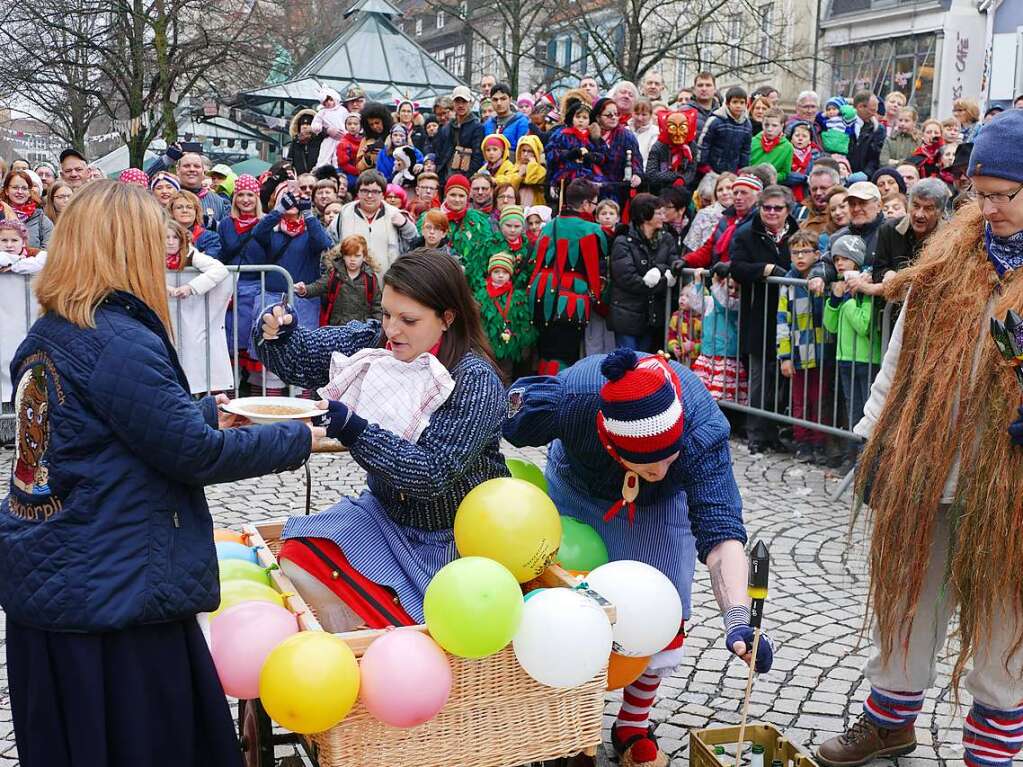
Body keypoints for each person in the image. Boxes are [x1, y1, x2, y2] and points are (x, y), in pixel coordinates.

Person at [0, 180, 317, 767]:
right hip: (112, 596)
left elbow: (114, 429)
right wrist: (299, 436)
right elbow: (192, 453)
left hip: (61, 582)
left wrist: (208, 409)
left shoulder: (55, 330)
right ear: (127, 250)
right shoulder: (115, 338)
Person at [816, 107, 1023, 767]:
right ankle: (888, 719)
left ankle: (989, 752)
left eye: (1002, 195)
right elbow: (899, 358)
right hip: (930, 468)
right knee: (907, 594)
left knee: (1003, 620)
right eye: (979, 193)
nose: (986, 207)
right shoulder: (949, 258)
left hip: (1011, 484)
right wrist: (871, 438)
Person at [503, 347, 773, 767]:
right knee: (569, 606)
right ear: (610, 439)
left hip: (660, 507)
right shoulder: (575, 399)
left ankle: (632, 723)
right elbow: (510, 412)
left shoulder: (700, 432)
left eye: (670, 457)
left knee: (661, 609)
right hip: (579, 487)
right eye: (649, 466)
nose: (662, 469)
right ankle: (572, 727)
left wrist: (738, 619)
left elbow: (722, 535)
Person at [254, 248, 507, 627]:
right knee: (299, 557)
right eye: (387, 314)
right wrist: (279, 334)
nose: (391, 329)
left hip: (451, 540)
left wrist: (354, 429)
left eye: (408, 319)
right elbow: (306, 358)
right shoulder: (377, 343)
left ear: (447, 318)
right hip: (385, 515)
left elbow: (430, 475)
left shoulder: (474, 380)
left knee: (407, 624)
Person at [728, 184, 799, 453]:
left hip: (788, 315)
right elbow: (737, 267)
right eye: (766, 207)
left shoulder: (796, 232)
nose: (771, 212)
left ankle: (776, 432)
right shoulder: (747, 233)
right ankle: (756, 433)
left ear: (787, 211)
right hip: (758, 313)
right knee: (758, 379)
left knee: (782, 379)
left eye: (777, 208)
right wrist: (766, 269)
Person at [528, 178, 606, 374]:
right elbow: (596, 271)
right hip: (571, 300)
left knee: (545, 352)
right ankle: (556, 398)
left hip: (541, 295)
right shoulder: (592, 230)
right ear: (586, 203)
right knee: (564, 355)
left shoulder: (549, 225)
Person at [776, 230, 830, 463]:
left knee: (820, 399)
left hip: (821, 352)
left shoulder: (824, 280)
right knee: (799, 401)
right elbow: (782, 322)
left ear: (817, 254)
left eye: (805, 251)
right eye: (795, 252)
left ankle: (819, 442)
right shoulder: (788, 283)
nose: (799, 257)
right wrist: (784, 356)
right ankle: (802, 441)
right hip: (798, 352)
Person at [822, 233, 881, 442]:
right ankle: (854, 456)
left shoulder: (865, 287)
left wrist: (847, 302)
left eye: (844, 258)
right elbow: (830, 325)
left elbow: (863, 325)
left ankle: (864, 458)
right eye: (836, 259)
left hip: (866, 359)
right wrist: (836, 299)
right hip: (845, 358)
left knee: (867, 411)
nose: (839, 263)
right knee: (852, 411)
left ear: (856, 260)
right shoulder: (841, 286)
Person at [164, 220, 233, 394]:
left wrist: (191, 287)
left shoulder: (191, 254)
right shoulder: (149, 255)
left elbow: (220, 270)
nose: (171, 241)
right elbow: (142, 277)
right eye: (166, 237)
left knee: (194, 357)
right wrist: (165, 287)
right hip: (163, 315)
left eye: (175, 237)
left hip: (191, 317)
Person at [608, 193, 675, 352]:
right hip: (627, 314)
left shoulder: (666, 239)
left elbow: (673, 263)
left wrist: (660, 270)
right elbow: (627, 278)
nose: (663, 217)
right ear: (645, 216)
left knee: (645, 364)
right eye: (658, 213)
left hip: (652, 316)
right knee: (628, 363)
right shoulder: (623, 241)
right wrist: (661, 283)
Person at [867, 177, 949, 291]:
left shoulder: (949, 236)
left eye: (928, 208)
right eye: (915, 206)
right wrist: (887, 274)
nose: (919, 214)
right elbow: (878, 271)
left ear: (940, 212)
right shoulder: (889, 230)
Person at [329, 170, 418, 274]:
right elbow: (330, 244)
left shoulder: (396, 214)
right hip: (350, 285)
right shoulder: (344, 214)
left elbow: (414, 243)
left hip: (387, 283)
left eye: (375, 192)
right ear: (357, 192)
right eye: (365, 191)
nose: (370, 196)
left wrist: (405, 226)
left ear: (383, 194)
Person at [808, 181, 885, 289]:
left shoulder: (892, 232)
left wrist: (873, 276)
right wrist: (818, 276)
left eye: (862, 203)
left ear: (879, 206)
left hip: (882, 302)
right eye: (852, 204)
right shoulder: (838, 236)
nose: (856, 209)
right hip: (846, 304)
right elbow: (827, 263)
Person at [296, 234, 382, 327]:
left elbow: (376, 305)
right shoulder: (334, 274)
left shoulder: (370, 279)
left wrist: (376, 326)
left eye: (357, 256)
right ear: (343, 256)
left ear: (364, 257)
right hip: (336, 327)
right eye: (349, 255)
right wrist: (304, 290)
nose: (352, 259)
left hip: (362, 329)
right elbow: (318, 286)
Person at [475, 251, 536, 378]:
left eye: (505, 272)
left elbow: (523, 320)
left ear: (510, 274)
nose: (500, 276)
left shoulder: (517, 296)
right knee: (488, 373)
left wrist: (523, 339)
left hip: (509, 345)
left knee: (506, 374)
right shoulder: (481, 296)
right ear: (490, 273)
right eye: (496, 272)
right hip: (488, 345)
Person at [428, 174, 494, 288]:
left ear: (467, 197)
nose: (457, 199)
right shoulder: (432, 218)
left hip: (469, 285)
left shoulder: (479, 221)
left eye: (461, 195)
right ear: (446, 195)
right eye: (453, 195)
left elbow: (485, 255)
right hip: (437, 282)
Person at [684, 173, 761, 268]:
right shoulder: (725, 220)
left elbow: (758, 256)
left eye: (744, 193)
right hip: (720, 277)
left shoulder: (762, 221)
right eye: (735, 193)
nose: (738, 197)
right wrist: (686, 260)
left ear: (758, 196)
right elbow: (708, 250)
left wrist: (731, 267)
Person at [696, 86, 752, 175]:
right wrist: (703, 165)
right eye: (735, 102)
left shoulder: (747, 125)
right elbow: (704, 144)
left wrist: (742, 169)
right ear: (728, 103)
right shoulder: (715, 120)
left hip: (733, 171)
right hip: (711, 169)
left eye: (742, 103)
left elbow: (745, 150)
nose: (738, 106)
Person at [435, 85, 484, 180]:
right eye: (457, 101)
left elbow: (477, 158)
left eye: (464, 101)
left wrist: (465, 178)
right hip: (445, 175)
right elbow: (439, 152)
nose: (461, 105)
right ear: (453, 103)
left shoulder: (477, 127)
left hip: (465, 177)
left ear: (470, 103)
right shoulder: (447, 127)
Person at [645, 108, 698, 194]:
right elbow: (651, 174)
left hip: (683, 191)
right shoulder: (659, 147)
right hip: (660, 192)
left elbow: (691, 170)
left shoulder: (691, 146)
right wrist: (675, 176)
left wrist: (683, 180)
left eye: (682, 127)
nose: (678, 133)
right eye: (673, 127)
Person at [1, 169, 52, 249]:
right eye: (15, 187)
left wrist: (30, 260)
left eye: (24, 188)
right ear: (7, 191)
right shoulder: (1, 213)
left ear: (29, 192)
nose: (20, 192)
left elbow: (49, 248)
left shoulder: (40, 218)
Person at [684, 172, 733, 252]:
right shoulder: (704, 214)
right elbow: (691, 247)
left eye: (729, 188)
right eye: (720, 189)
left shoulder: (745, 214)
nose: (724, 193)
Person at [169, 190, 222, 260]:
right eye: (179, 207)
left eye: (189, 207)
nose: (184, 210)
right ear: (172, 212)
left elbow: (208, 260)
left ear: (196, 211)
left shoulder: (211, 237)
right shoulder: (163, 236)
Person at [749, 107, 793, 184]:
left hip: (770, 186)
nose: (769, 129)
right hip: (750, 182)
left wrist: (771, 177)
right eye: (766, 125)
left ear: (782, 126)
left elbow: (785, 173)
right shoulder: (753, 141)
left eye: (774, 125)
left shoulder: (787, 147)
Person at [847, 92, 886, 177]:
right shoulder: (843, 124)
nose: (874, 114)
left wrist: (867, 174)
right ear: (860, 107)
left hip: (864, 177)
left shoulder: (878, 129)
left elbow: (875, 157)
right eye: (872, 110)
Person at [482, 82, 530, 151]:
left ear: (510, 99)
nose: (499, 103)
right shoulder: (488, 123)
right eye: (495, 100)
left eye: (503, 99)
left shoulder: (521, 122)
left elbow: (523, 151)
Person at [511, 134, 547, 207]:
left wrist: (532, 164)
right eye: (523, 150)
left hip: (535, 208)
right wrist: (520, 175)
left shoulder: (541, 169)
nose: (525, 154)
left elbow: (530, 180)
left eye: (530, 151)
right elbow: (510, 187)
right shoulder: (514, 168)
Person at [689, 72, 719, 142]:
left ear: (715, 89)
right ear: (694, 89)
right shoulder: (685, 112)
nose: (704, 89)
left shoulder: (721, 114)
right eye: (700, 85)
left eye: (708, 85)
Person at [630, 98, 658, 167]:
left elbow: (651, 158)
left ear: (650, 115)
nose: (640, 118)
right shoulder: (626, 130)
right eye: (637, 114)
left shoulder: (655, 132)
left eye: (644, 115)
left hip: (644, 172)